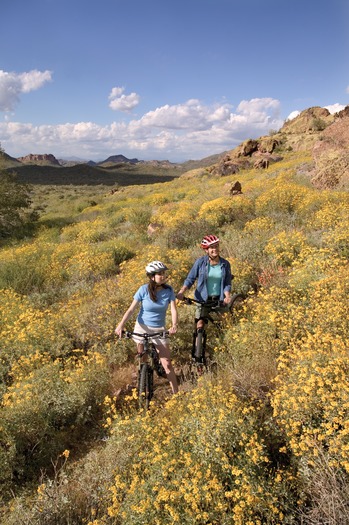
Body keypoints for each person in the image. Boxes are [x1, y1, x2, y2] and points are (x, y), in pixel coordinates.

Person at [115, 260, 179, 394]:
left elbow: (173, 309)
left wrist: (174, 325)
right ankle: (143, 381)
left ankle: (176, 394)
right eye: (159, 274)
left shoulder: (169, 290)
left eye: (163, 273)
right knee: (142, 357)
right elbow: (131, 309)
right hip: (141, 327)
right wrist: (121, 325)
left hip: (158, 329)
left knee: (167, 363)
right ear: (152, 277)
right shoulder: (143, 290)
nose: (163, 276)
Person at [176, 235, 233, 330]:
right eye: (211, 247)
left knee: (227, 324)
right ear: (206, 250)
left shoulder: (225, 264)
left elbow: (227, 283)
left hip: (220, 299)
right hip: (203, 299)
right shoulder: (200, 262)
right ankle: (197, 342)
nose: (215, 249)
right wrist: (181, 292)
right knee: (200, 325)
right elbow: (190, 279)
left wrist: (227, 296)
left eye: (216, 246)